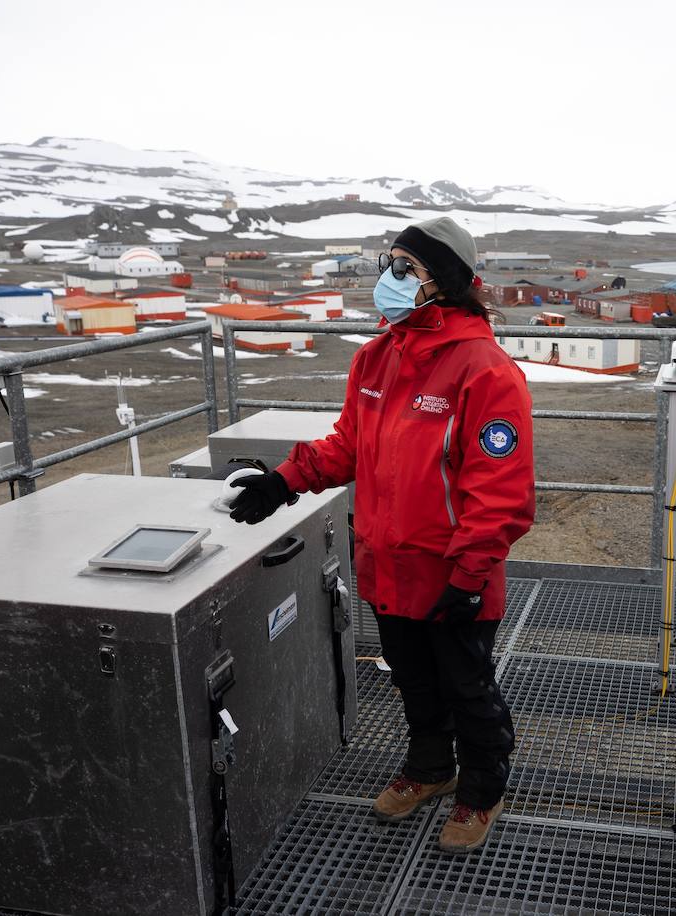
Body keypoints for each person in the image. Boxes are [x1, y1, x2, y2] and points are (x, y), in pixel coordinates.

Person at [227, 217, 535, 854]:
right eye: (387, 264)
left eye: (405, 268)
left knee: (465, 682)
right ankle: (431, 767)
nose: (388, 280)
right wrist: (282, 481)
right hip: (386, 561)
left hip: (452, 572)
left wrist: (471, 577)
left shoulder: (484, 370)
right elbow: (348, 446)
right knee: (413, 678)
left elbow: (499, 490)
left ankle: (482, 785)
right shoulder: (377, 355)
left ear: (442, 280)